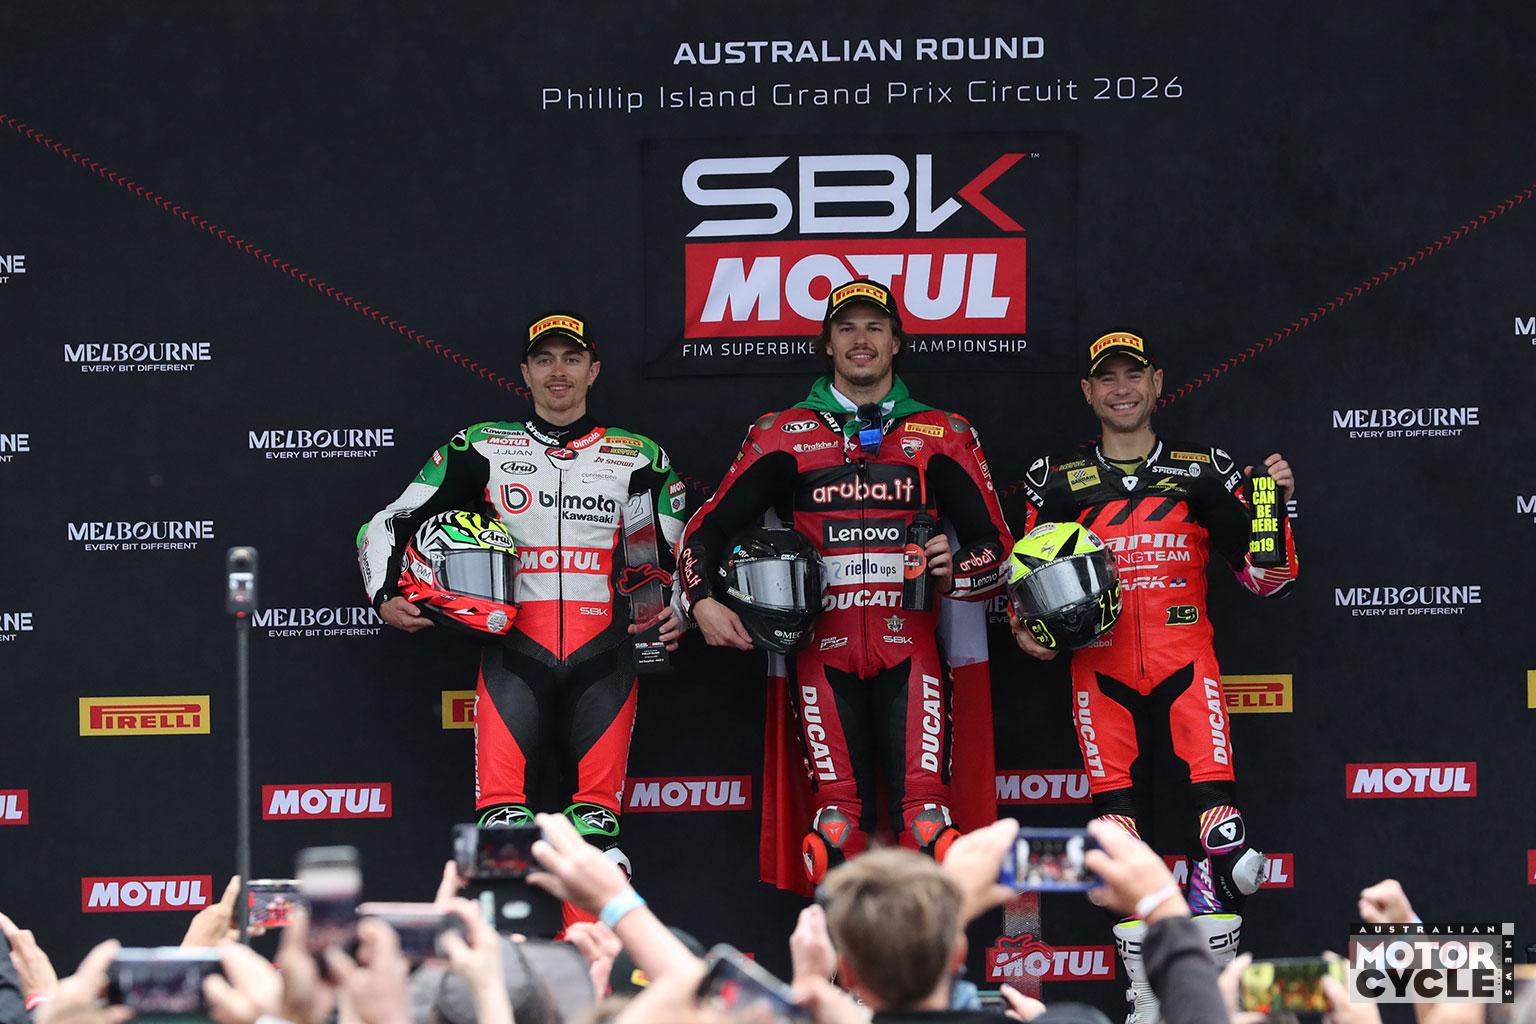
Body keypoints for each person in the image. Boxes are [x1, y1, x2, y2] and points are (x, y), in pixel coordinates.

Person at [677, 278, 1012, 883]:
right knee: (833, 831)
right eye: (847, 328)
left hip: (911, 648)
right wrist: (700, 600)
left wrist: (956, 572)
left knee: (929, 827)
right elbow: (706, 529)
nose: (861, 340)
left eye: (875, 327)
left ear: (896, 343)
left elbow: (999, 548)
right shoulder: (782, 431)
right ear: (827, 344)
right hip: (820, 651)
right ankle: (837, 950)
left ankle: (925, 948)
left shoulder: (943, 432)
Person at [1011, 330, 1298, 1024]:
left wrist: (1273, 508)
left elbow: (1268, 580)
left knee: (1230, 852)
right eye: (1107, 378)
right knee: (1118, 846)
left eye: (1133, 375)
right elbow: (1023, 591)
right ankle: (1145, 1001)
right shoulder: (1054, 480)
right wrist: (1029, 634)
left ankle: (1214, 1000)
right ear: (1087, 391)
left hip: (1187, 666)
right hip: (1099, 676)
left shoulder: (1206, 470)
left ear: (1157, 383)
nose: (1122, 390)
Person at [358, 312, 686, 884]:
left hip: (606, 658)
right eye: (544, 359)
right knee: (501, 829)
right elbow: (390, 520)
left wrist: (682, 608)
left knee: (598, 841)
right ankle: (505, 945)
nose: (558, 371)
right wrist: (383, 592)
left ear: (593, 371)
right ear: (525, 372)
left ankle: (589, 944)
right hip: (512, 655)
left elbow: (682, 550)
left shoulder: (638, 455)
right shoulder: (482, 445)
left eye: (572, 359)